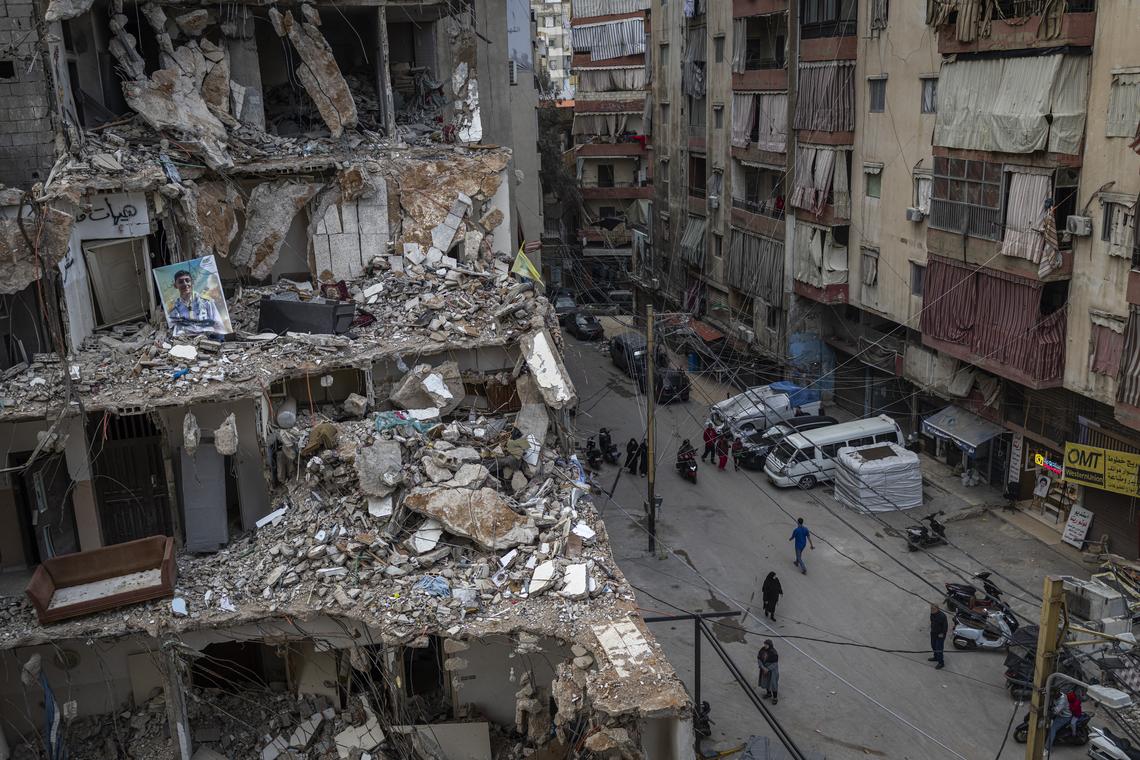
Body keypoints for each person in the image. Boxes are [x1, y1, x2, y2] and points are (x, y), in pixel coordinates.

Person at [167, 269, 227, 337]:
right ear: (175, 285)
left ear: (192, 282)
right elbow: (172, 328)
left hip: (207, 339)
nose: (185, 284)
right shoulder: (173, 307)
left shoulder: (206, 302)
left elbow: (218, 324)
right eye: (181, 282)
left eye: (187, 280)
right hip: (184, 341)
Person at [928, 603, 947, 670]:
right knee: (933, 646)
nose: (932, 610)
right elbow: (932, 622)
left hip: (940, 635)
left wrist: (942, 633)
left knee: (939, 648)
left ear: (937, 609)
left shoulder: (942, 616)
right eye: (931, 609)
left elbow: (945, 627)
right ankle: (936, 657)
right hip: (933, 633)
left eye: (933, 609)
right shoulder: (932, 614)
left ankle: (941, 663)